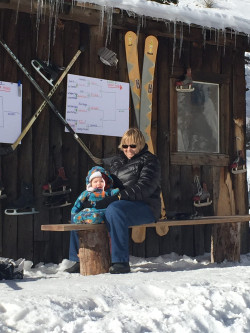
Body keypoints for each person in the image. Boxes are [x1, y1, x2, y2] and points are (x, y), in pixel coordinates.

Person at [65, 128, 161, 274]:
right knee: (80, 209)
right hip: (119, 202)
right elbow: (109, 184)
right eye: (125, 146)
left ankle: (120, 261)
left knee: (114, 209)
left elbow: (144, 188)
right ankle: (78, 258)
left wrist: (116, 198)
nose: (128, 149)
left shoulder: (150, 161)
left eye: (133, 146)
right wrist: (95, 197)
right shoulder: (117, 161)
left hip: (145, 206)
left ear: (140, 144)